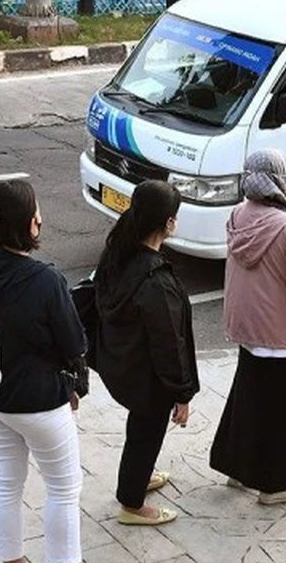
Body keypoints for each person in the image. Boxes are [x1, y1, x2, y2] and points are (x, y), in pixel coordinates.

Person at [0, 179, 86, 563]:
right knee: (64, 488)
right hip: (42, 402)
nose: (41, 219)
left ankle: (7, 558)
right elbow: (74, 343)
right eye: (37, 212)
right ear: (27, 224)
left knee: (4, 485)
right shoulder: (46, 280)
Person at [210, 150, 286, 505]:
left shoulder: (236, 216)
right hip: (285, 337)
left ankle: (238, 470)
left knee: (249, 403)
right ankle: (278, 486)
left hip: (248, 331)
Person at [94, 180, 199, 526]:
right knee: (147, 431)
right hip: (149, 375)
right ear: (168, 223)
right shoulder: (156, 281)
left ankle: (135, 479)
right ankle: (132, 504)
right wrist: (182, 393)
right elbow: (170, 344)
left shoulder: (117, 254)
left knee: (140, 428)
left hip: (124, 363)